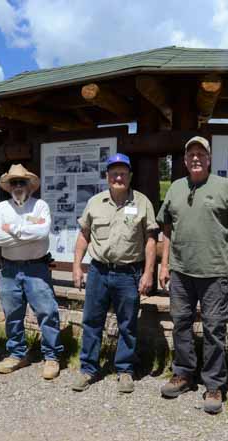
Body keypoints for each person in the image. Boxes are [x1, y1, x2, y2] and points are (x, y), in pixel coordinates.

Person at [158, 136, 228, 414]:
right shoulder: (175, 188)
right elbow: (166, 230)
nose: (195, 158)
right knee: (181, 324)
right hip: (181, 272)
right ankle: (184, 374)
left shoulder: (225, 187)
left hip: (213, 274)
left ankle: (214, 385)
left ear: (209, 159)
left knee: (213, 330)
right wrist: (164, 265)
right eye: (191, 154)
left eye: (201, 153)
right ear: (185, 160)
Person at [71, 153, 158, 393]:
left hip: (128, 273)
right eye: (114, 173)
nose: (118, 177)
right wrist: (77, 266)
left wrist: (148, 273)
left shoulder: (142, 203)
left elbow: (151, 240)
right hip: (99, 271)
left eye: (123, 173)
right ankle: (88, 368)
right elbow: (83, 235)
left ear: (130, 176)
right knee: (91, 322)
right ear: (107, 176)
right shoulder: (95, 202)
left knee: (128, 324)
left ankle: (124, 370)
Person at [0, 164, 63, 379]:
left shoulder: (40, 206)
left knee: (47, 312)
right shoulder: (0, 208)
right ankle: (17, 354)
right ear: (8, 186)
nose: (18, 186)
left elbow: (42, 233)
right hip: (9, 269)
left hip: (36, 267)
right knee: (12, 314)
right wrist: (27, 232)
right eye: (14, 182)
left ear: (29, 185)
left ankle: (52, 357)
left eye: (22, 182)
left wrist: (12, 229)